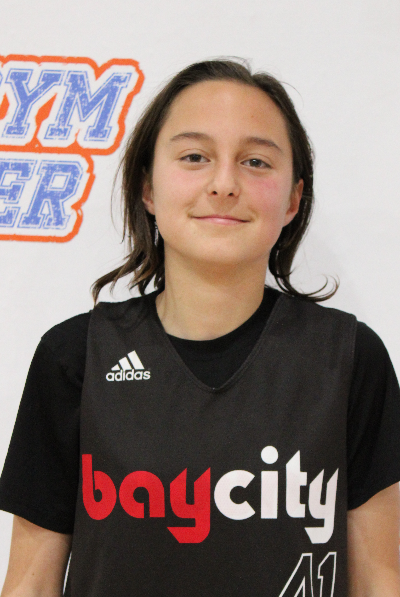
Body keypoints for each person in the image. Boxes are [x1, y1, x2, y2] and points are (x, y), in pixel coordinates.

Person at [0, 59, 399, 597]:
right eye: (194, 157)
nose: (224, 184)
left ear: (293, 199)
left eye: (255, 161)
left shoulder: (349, 358)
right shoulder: (74, 356)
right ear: (147, 187)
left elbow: (380, 579)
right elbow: (29, 583)